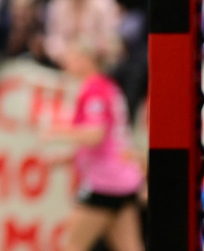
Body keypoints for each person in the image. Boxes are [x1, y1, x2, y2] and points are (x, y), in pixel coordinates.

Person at [42, 38, 144, 251]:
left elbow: (95, 135)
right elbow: (109, 140)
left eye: (70, 59)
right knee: (129, 247)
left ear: (86, 60)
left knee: (72, 245)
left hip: (105, 182)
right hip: (123, 178)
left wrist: (57, 130)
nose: (66, 65)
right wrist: (67, 159)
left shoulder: (94, 90)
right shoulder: (107, 87)